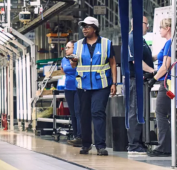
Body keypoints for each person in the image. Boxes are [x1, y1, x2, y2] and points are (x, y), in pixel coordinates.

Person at [73, 16, 117, 156]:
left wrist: (114, 83)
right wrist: (73, 61)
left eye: (87, 26)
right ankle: (86, 145)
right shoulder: (78, 45)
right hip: (83, 84)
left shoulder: (106, 44)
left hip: (101, 84)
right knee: (84, 115)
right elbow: (74, 65)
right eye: (83, 26)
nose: (84, 29)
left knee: (98, 113)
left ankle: (100, 146)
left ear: (95, 28)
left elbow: (112, 63)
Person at [125, 16, 155, 155]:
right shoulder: (132, 39)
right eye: (146, 24)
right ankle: (134, 145)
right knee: (135, 111)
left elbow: (145, 57)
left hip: (140, 80)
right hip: (134, 80)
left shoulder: (140, 40)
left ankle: (139, 142)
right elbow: (136, 61)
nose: (147, 27)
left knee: (139, 111)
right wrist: (152, 70)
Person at [147, 18, 173, 157]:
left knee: (161, 113)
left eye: (161, 28)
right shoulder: (167, 44)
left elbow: (166, 66)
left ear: (168, 28)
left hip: (167, 83)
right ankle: (167, 146)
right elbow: (158, 57)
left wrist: (154, 79)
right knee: (166, 114)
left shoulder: (170, 42)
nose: (159, 31)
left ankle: (164, 147)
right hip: (166, 82)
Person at [62, 41, 82, 147]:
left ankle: (80, 136)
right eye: (66, 47)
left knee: (78, 112)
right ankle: (75, 136)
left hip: (78, 87)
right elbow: (63, 70)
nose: (66, 49)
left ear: (74, 48)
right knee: (73, 113)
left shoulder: (78, 59)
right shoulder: (64, 60)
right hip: (68, 88)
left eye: (68, 47)